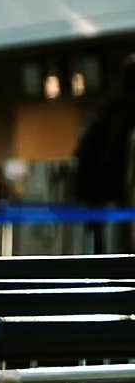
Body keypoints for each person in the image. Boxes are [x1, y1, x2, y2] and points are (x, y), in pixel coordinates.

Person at [74, 56, 135, 251]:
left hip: (102, 199)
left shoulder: (108, 109)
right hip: (117, 199)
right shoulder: (124, 112)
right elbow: (114, 156)